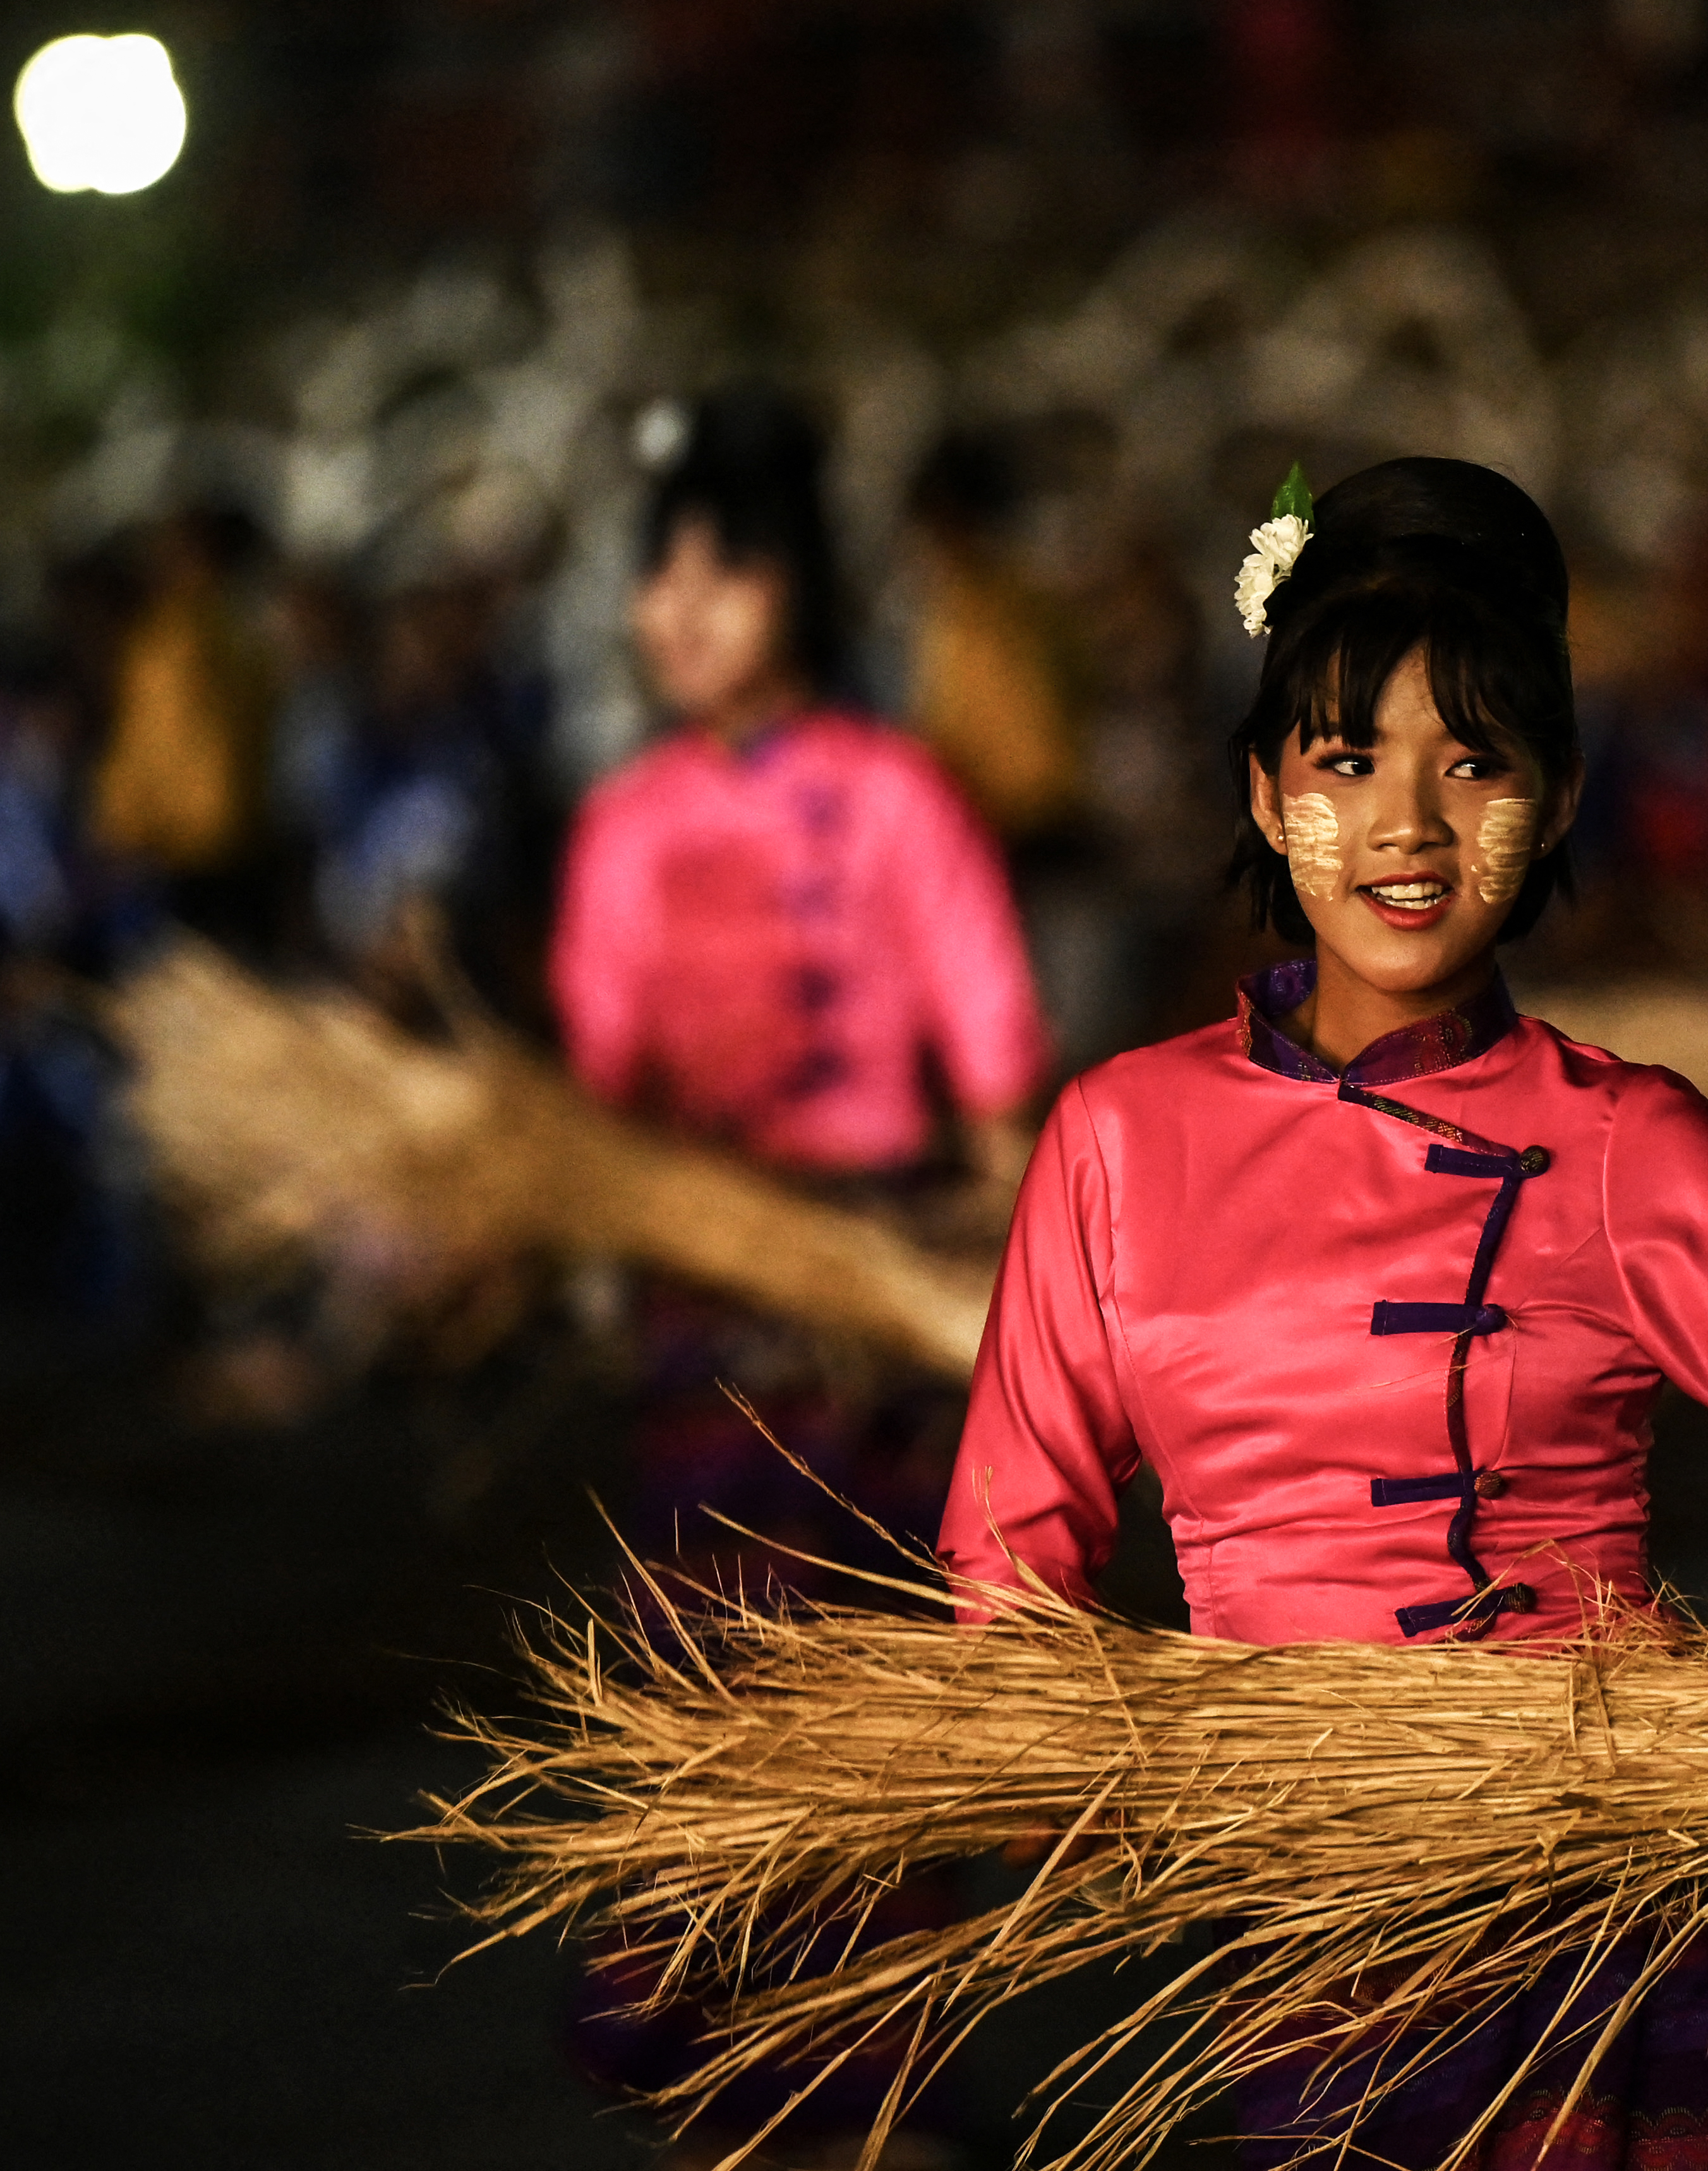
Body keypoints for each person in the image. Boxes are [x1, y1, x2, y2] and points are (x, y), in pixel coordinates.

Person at [939, 457, 1708, 2169]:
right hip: (1331, 1942)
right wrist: (1066, 1765)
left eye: (1470, 762)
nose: (1408, 828)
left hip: (1660, 1921)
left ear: (1553, 802)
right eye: (1346, 762)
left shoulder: (1625, 1143)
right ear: (1265, 796)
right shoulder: (1116, 1141)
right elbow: (1001, 1580)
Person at [550, 384, 1048, 2166]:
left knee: (876, 1694)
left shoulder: (899, 794)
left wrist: (1005, 1259)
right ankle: (746, 2050)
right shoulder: (620, 824)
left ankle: (868, 2075)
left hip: (884, 1290)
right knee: (719, 1676)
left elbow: (990, 1044)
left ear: (804, 593)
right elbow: (598, 1088)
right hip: (711, 1297)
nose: (677, 607)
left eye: (724, 570)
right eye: (655, 571)